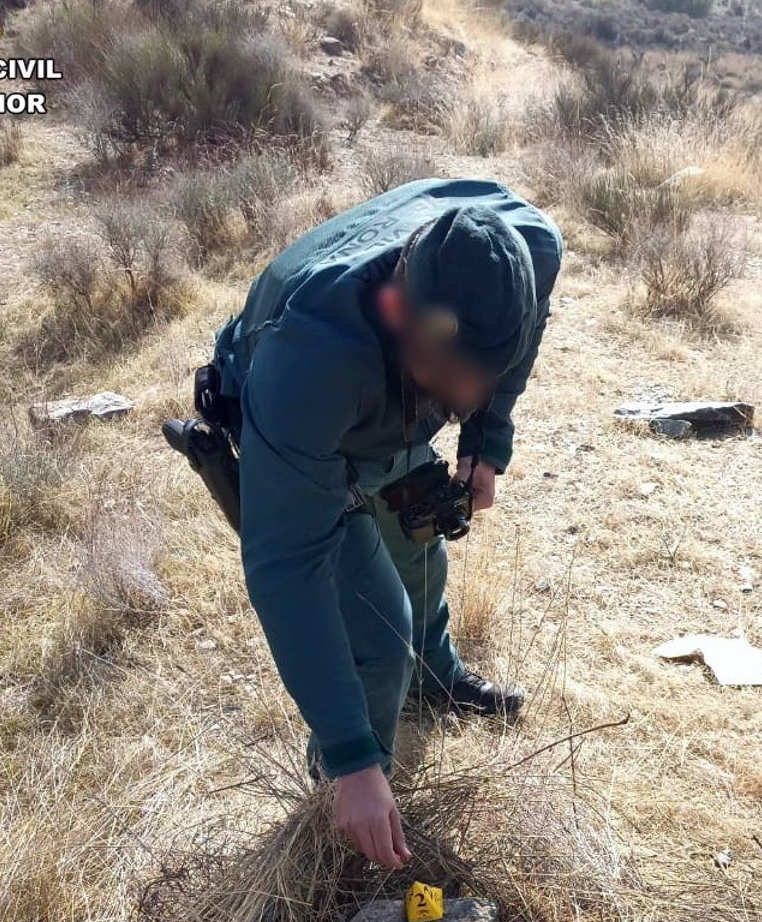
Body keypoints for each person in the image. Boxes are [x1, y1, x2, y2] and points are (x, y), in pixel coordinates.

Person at [205, 179, 561, 869]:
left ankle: (436, 675)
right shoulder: (310, 362)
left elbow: (525, 327)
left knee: (419, 545)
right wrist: (352, 757)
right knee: (378, 633)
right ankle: (343, 817)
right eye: (451, 374)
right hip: (311, 430)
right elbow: (289, 563)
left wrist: (486, 436)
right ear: (399, 310)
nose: (465, 395)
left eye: (481, 378)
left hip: (388, 409)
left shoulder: (528, 249)